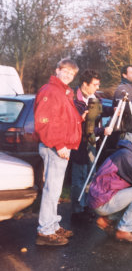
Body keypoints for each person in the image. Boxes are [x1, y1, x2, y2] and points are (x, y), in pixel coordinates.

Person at [34, 59, 82, 246]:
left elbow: (62, 119)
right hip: (54, 147)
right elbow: (44, 122)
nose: (69, 75)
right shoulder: (50, 91)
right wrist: (60, 144)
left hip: (61, 147)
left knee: (55, 190)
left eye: (72, 73)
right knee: (51, 190)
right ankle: (45, 231)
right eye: (66, 71)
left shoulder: (63, 92)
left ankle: (52, 225)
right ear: (57, 70)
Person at [70, 69, 114, 222]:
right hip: (78, 143)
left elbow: (100, 111)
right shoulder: (75, 101)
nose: (97, 88)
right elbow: (81, 126)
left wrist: (113, 110)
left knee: (91, 174)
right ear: (84, 84)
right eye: (94, 85)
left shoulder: (94, 97)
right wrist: (102, 130)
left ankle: (88, 206)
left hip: (91, 142)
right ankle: (77, 210)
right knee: (79, 176)